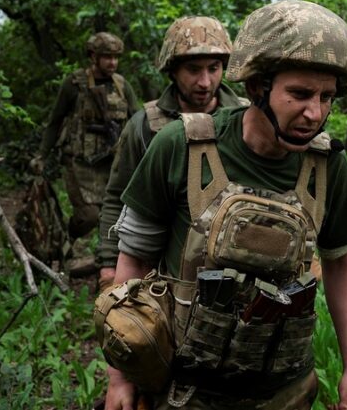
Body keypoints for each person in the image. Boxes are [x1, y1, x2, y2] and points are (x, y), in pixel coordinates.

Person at [106, 0, 347, 410]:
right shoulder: (178, 146)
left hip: (285, 390)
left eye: (327, 97)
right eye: (298, 94)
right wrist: (121, 378)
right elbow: (133, 261)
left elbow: (341, 265)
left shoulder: (328, 166)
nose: (314, 112)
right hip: (185, 388)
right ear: (255, 87)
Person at [96, 16, 248, 290]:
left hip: (238, 266)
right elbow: (118, 196)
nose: (204, 82)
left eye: (214, 68)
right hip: (160, 267)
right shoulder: (144, 126)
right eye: (193, 69)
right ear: (173, 70)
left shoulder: (248, 119)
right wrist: (109, 262)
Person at [32, 32, 139, 243]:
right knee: (89, 216)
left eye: (116, 57)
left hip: (112, 163)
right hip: (79, 164)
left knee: (117, 216)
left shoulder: (122, 85)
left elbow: (138, 121)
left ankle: (105, 260)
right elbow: (55, 121)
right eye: (107, 57)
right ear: (93, 56)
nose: (113, 62)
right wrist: (41, 156)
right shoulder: (74, 84)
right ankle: (66, 238)